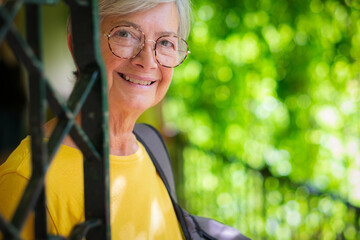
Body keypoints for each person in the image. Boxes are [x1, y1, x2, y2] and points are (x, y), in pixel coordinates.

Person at [0, 0, 249, 239]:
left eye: (165, 42)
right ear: (80, 45)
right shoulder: (26, 181)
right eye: (125, 34)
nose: (147, 61)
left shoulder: (149, 146)